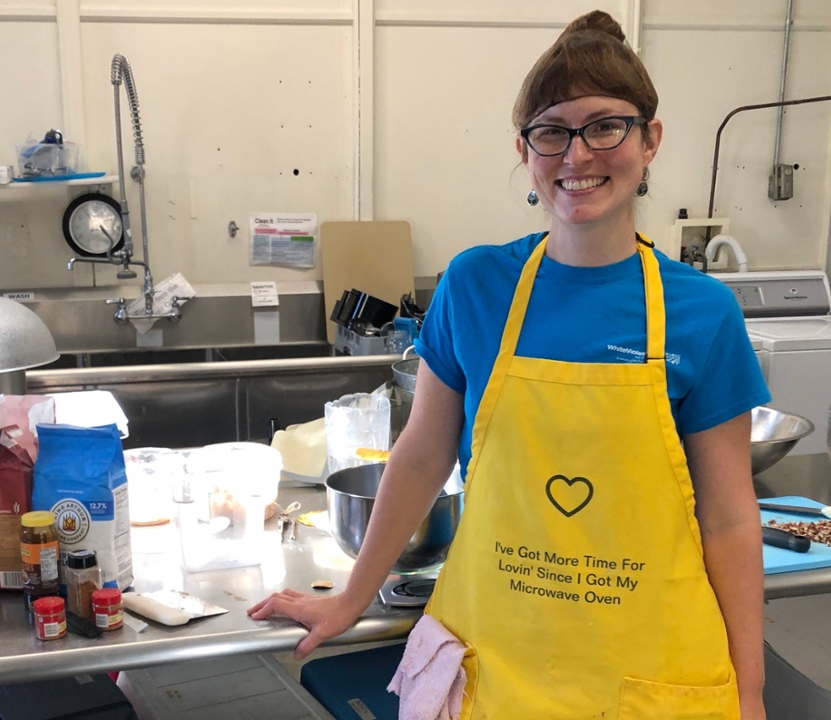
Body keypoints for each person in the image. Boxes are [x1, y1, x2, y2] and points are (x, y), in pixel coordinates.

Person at [250, 10, 770, 719]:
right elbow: (421, 455)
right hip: (493, 663)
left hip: (649, 670)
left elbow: (730, 520)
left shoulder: (704, 313)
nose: (577, 155)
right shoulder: (476, 286)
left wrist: (750, 690)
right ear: (525, 151)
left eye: (604, 126)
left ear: (649, 140)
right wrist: (351, 596)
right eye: (552, 131)